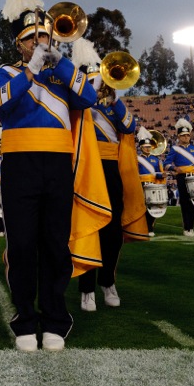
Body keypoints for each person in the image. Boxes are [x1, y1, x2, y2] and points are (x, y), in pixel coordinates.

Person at [0, 0, 97, 352]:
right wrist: (32, 69)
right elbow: (1, 101)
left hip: (57, 166)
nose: (40, 43)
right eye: (32, 39)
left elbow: (89, 99)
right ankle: (24, 317)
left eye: (44, 37)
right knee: (21, 246)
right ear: (20, 45)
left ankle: (55, 318)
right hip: (19, 165)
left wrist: (62, 65)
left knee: (55, 244)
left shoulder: (66, 76)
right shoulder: (8, 72)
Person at [71, 38, 147, 312]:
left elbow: (130, 127)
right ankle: (87, 289)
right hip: (84, 168)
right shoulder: (78, 102)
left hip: (111, 169)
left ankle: (108, 282)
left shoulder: (112, 103)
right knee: (88, 225)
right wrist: (87, 95)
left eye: (99, 79)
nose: (98, 85)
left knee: (112, 231)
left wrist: (114, 99)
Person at [163, 118, 194, 237]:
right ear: (179, 136)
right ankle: (187, 228)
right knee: (186, 203)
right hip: (182, 178)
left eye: (187, 135)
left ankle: (191, 225)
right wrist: (175, 169)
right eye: (183, 135)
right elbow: (166, 164)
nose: (186, 137)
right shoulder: (175, 149)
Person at [136, 127, 165, 237]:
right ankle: (143, 227)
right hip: (141, 185)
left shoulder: (156, 159)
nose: (147, 149)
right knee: (142, 208)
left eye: (149, 147)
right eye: (145, 147)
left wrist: (162, 175)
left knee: (153, 207)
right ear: (141, 148)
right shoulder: (136, 159)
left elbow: (158, 173)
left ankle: (150, 227)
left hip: (153, 185)